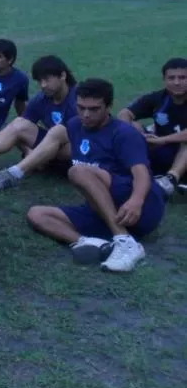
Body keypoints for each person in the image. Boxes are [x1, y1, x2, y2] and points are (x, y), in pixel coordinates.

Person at [24, 78, 166, 272]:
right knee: (37, 214)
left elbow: (142, 173)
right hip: (103, 208)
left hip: (139, 206)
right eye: (81, 107)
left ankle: (125, 242)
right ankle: (97, 244)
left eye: (94, 109)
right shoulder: (74, 125)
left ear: (109, 106)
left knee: (78, 171)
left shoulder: (124, 133)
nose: (86, 114)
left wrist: (136, 201)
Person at [0, 55, 78, 190]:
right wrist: (29, 151)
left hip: (79, 154)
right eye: (40, 81)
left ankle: (13, 175)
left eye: (47, 79)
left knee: (59, 131)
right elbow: (20, 132)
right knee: (19, 123)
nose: (43, 85)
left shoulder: (80, 97)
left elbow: (93, 138)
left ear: (63, 76)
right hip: (54, 151)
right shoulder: (42, 99)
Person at [117, 58, 187, 197]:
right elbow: (124, 114)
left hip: (180, 151)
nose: (177, 82)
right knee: (133, 126)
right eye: (171, 78)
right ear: (164, 80)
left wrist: (162, 140)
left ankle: (170, 179)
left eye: (183, 77)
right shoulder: (158, 98)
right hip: (164, 151)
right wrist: (139, 136)